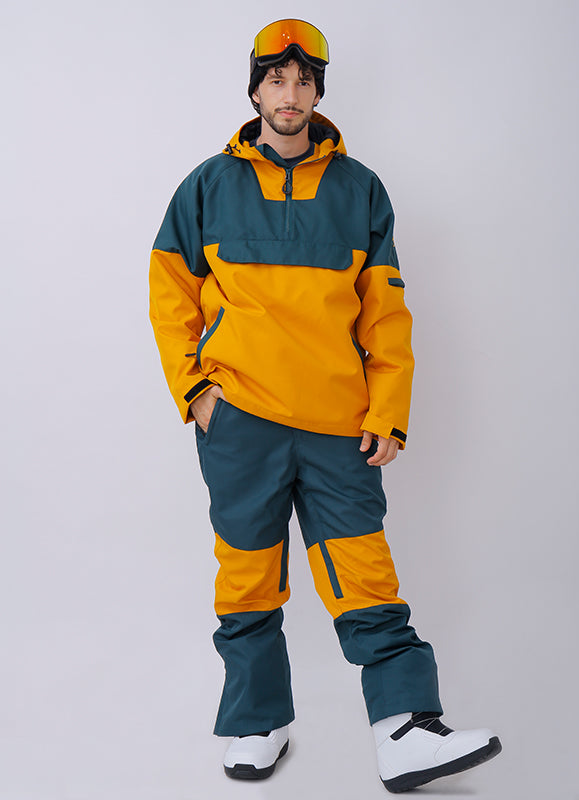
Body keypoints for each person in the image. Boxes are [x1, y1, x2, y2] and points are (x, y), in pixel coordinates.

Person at [149, 18, 501, 793]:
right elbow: (168, 292)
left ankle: (404, 729)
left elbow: (386, 313)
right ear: (255, 89)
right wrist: (196, 392)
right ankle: (257, 722)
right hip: (241, 421)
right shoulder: (207, 186)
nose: (290, 93)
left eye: (304, 81)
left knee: (365, 576)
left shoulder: (359, 189)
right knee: (247, 578)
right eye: (276, 79)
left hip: (339, 426)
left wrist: (388, 410)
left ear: (318, 93)